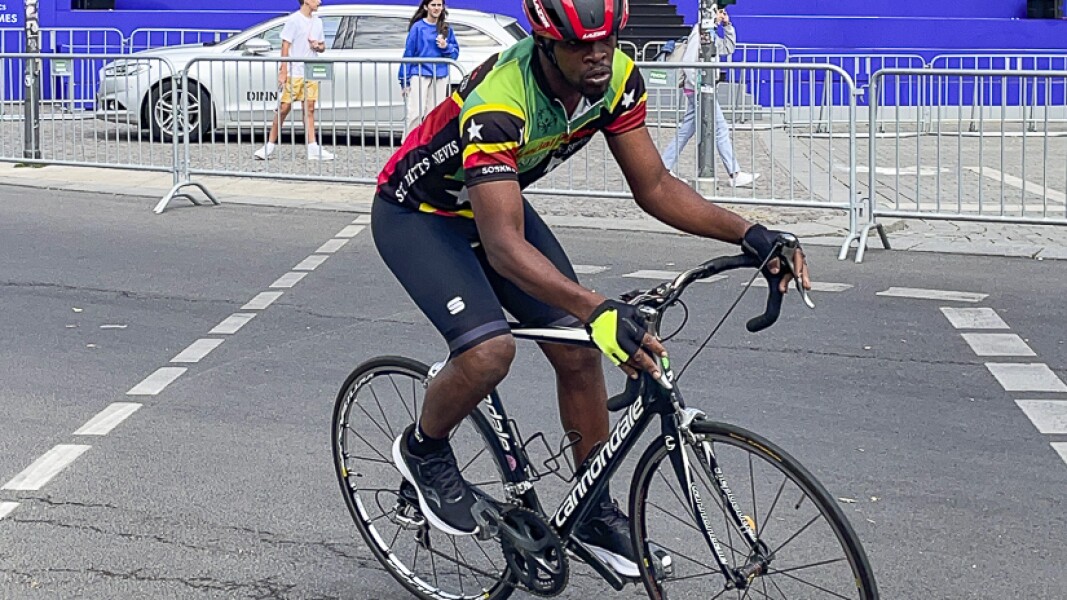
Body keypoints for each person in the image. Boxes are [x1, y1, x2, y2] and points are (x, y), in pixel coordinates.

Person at [372, 0, 809, 578]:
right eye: (582, 46)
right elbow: (504, 246)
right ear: (548, 44)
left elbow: (653, 184)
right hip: (419, 215)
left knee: (578, 351)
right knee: (489, 351)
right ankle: (424, 448)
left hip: (489, 209)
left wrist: (751, 233)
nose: (599, 55)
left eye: (607, 40)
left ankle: (594, 513)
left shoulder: (617, 79)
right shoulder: (501, 103)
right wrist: (597, 305)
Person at [660, 6, 759, 187]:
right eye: (720, 12)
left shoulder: (710, 33)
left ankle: (664, 167)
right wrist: (698, 87)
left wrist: (728, 26)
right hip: (700, 90)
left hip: (700, 90)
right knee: (720, 128)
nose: (723, 15)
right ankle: (734, 173)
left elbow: (728, 48)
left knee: (686, 131)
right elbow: (688, 62)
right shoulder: (699, 32)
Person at [254, 0, 335, 161]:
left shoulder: (317, 22)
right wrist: (283, 70)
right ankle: (269, 145)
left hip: (310, 71)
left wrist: (318, 46)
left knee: (309, 108)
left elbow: (323, 46)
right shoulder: (294, 20)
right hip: (294, 72)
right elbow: (285, 45)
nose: (319, 2)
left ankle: (313, 146)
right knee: (284, 108)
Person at [399, 0, 460, 135]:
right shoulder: (418, 27)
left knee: (435, 113)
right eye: (433, 5)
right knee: (415, 112)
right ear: (426, 7)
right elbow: (408, 53)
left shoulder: (446, 29)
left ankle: (427, 144)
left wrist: (446, 47)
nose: (437, 8)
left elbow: (455, 54)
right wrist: (404, 80)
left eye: (439, 5)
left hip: (440, 75)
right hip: (419, 73)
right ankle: (408, 145)